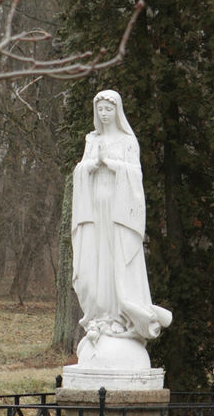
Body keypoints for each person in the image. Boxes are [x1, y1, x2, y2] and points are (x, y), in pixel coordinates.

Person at [71, 89, 172, 348]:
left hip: (117, 213)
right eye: (100, 110)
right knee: (94, 265)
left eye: (108, 109)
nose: (104, 114)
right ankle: (99, 316)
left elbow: (135, 176)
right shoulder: (91, 140)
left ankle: (119, 316)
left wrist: (112, 165)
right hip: (95, 210)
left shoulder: (128, 141)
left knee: (116, 264)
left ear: (117, 111)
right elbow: (80, 171)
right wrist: (91, 166)